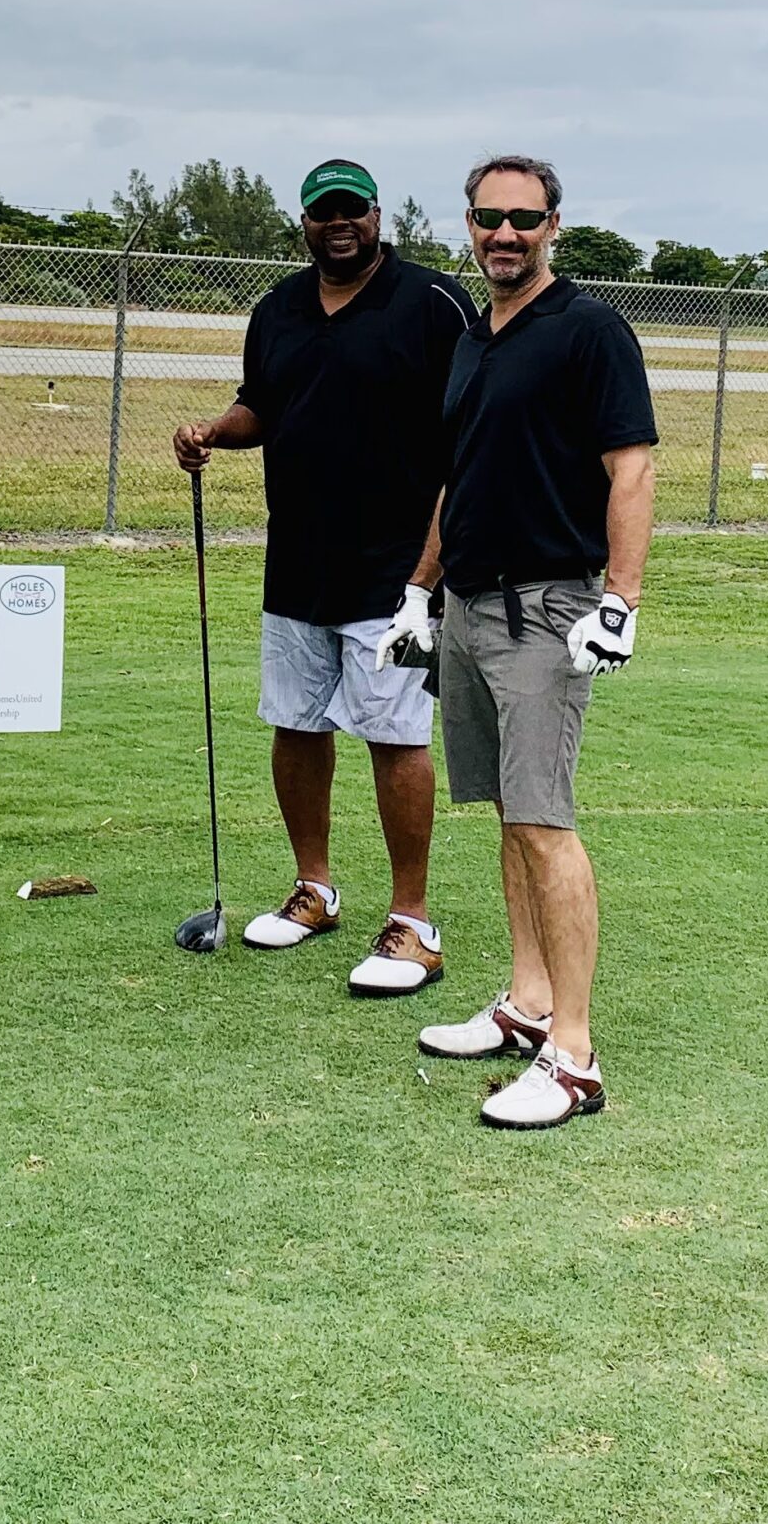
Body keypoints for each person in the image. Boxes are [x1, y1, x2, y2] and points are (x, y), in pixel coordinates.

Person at [172, 159, 476, 996]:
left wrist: (431, 572)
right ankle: (315, 888)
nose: (339, 223)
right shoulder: (277, 309)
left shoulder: (434, 302)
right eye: (323, 212)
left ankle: (411, 920)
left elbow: (467, 431)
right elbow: (264, 406)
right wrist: (214, 431)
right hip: (299, 561)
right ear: (303, 222)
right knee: (296, 723)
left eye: (353, 210)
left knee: (395, 733)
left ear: (378, 216)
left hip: (400, 570)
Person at [408, 153, 656, 1129]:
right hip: (469, 609)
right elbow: (459, 474)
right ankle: (527, 1000)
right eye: (487, 217)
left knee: (546, 821)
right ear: (468, 225)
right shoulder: (475, 336)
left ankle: (574, 1054)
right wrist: (419, 589)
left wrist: (620, 599)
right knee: (511, 811)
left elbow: (630, 469)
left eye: (523, 218)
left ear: (554, 225)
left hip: (547, 611)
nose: (503, 234)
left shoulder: (589, 330)